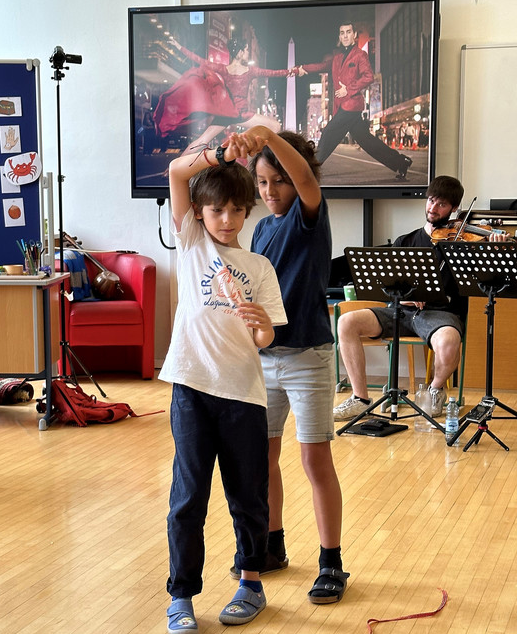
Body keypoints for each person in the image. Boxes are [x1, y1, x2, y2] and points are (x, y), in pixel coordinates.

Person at [160, 137, 287, 634]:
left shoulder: (260, 268)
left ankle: (251, 583)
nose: (227, 220)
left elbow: (264, 339)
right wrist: (223, 155)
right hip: (191, 389)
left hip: (243, 394)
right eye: (217, 210)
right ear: (199, 212)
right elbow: (177, 171)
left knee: (247, 495)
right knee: (188, 496)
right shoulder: (192, 243)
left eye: (237, 210)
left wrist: (263, 327)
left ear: (247, 211)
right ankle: (181, 596)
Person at [227, 125, 349, 605]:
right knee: (263, 458)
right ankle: (271, 545)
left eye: (278, 181)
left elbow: (305, 180)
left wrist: (268, 138)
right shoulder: (261, 229)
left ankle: (331, 562)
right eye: (261, 182)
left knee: (314, 460)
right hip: (264, 360)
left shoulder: (308, 213)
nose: (269, 191)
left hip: (307, 358)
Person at [333, 175, 508, 422]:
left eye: (442, 204)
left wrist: (494, 249)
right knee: (346, 322)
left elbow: (486, 280)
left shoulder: (463, 245)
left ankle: (435, 390)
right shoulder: (405, 241)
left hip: (441, 314)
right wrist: (404, 298)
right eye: (431, 200)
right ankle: (360, 398)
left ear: (454, 208)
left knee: (449, 341)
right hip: (400, 312)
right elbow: (386, 288)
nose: (433, 208)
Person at [296, 22, 412, 179]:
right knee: (366, 141)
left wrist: (348, 89)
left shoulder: (360, 55)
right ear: (339, 36)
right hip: (342, 106)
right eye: (342, 32)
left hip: (352, 105)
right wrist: (303, 68)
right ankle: (401, 162)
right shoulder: (337, 58)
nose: (345, 35)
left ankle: (310, 170)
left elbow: (369, 77)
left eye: (348, 32)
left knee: (329, 132)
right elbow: (321, 66)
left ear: (354, 35)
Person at [155, 36, 289, 155]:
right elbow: (273, 73)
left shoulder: (222, 69)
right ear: (240, 52)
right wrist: (293, 71)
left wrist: (179, 47)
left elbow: (199, 60)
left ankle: (172, 168)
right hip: (241, 114)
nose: (248, 53)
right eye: (247, 50)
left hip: (225, 115)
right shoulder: (250, 71)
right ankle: (267, 159)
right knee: (276, 126)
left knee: (201, 141)